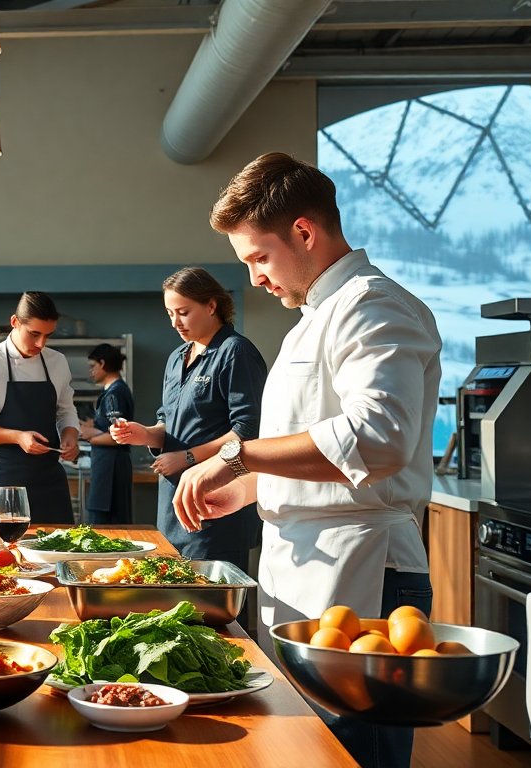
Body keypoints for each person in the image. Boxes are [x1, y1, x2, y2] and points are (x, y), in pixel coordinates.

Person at [172, 152, 441, 768]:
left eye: (258, 258)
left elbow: (378, 437)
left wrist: (238, 457)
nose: (256, 278)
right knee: (305, 753)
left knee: (354, 756)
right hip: (304, 569)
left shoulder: (374, 305)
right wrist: (249, 489)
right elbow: (316, 445)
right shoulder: (312, 318)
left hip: (363, 570)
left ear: (304, 232)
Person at [111, 267, 267, 573]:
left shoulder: (235, 353)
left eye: (183, 312)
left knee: (211, 608)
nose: (175, 322)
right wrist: (143, 433)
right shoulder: (175, 358)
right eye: (170, 313)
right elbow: (167, 422)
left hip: (217, 501)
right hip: (172, 504)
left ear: (211, 306)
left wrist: (187, 457)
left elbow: (246, 432)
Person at [0, 292, 79, 523]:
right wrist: (18, 437)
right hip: (4, 476)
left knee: (60, 545)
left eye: (48, 335)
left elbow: (66, 410)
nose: (40, 344)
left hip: (48, 475)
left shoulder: (57, 362)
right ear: (15, 322)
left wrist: (70, 436)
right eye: (34, 334)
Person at [77, 343, 134, 525]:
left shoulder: (113, 394)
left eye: (92, 366)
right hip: (109, 466)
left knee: (106, 526)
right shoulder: (116, 391)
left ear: (102, 363)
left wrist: (89, 436)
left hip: (110, 469)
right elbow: (109, 428)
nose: (91, 371)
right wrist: (93, 427)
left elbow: (117, 437)